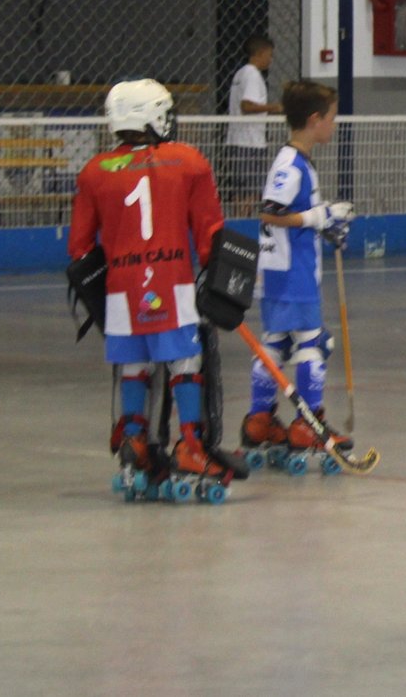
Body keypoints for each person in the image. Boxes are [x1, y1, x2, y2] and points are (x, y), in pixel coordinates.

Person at [69, 78, 239, 497]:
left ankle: (135, 442)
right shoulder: (188, 161)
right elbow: (210, 232)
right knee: (185, 361)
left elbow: (80, 247)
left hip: (121, 287)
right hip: (171, 281)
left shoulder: (95, 171)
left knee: (134, 364)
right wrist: (217, 282)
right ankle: (190, 446)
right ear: (153, 117)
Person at [241, 80, 356, 467]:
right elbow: (271, 211)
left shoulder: (295, 161)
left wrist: (325, 224)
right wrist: (317, 217)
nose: (334, 124)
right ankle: (310, 423)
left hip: (277, 270)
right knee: (313, 343)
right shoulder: (291, 164)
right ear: (314, 119)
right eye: (331, 118)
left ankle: (259, 420)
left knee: (275, 343)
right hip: (294, 273)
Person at [225, 34, 283, 213]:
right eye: (270, 55)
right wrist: (274, 107)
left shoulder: (240, 73)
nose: (271, 59)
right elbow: (247, 105)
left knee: (239, 188)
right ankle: (245, 219)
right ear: (261, 53)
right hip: (250, 142)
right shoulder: (252, 75)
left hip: (237, 139)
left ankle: (238, 219)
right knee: (251, 189)